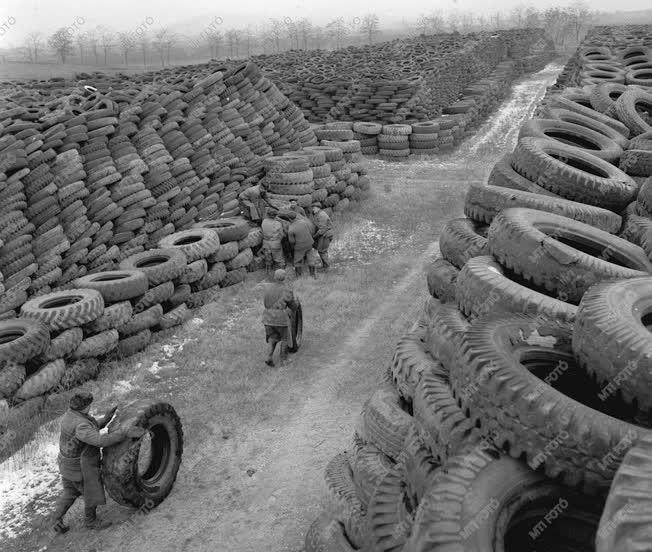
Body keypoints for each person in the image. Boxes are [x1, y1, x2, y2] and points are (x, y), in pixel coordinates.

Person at [52, 392, 146, 533]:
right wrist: (123, 432)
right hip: (80, 468)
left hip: (67, 465)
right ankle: (91, 521)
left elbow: (91, 429)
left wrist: (106, 419)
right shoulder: (81, 425)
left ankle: (55, 521)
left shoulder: (70, 415)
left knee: (69, 493)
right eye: (89, 405)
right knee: (91, 492)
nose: (90, 407)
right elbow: (100, 441)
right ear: (85, 407)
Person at [262, 269, 298, 366]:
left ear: (274, 277)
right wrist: (296, 303)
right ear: (285, 278)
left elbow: (265, 304)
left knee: (272, 338)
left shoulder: (268, 289)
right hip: (280, 318)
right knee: (285, 338)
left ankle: (268, 357)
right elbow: (293, 307)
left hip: (267, 317)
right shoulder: (287, 290)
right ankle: (283, 360)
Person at [287, 211, 317, 278]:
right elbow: (311, 231)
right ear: (296, 216)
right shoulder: (304, 222)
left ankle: (299, 278)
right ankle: (313, 276)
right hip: (309, 244)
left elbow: (292, 241)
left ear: (289, 219)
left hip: (299, 247)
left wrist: (293, 248)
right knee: (311, 260)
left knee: (297, 262)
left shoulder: (291, 228)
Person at [261, 208, 285, 274]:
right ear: (275, 215)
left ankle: (268, 273)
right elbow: (282, 234)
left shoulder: (264, 221)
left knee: (268, 259)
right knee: (279, 259)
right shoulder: (278, 223)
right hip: (275, 243)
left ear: (267, 215)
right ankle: (280, 274)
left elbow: (262, 232)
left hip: (266, 243)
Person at [311, 203, 333, 271]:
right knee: (321, 250)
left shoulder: (321, 215)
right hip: (323, 234)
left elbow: (322, 229)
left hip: (325, 235)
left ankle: (327, 267)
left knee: (322, 251)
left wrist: (314, 236)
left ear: (318, 208)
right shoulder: (318, 214)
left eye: (314, 208)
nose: (313, 209)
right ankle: (324, 266)